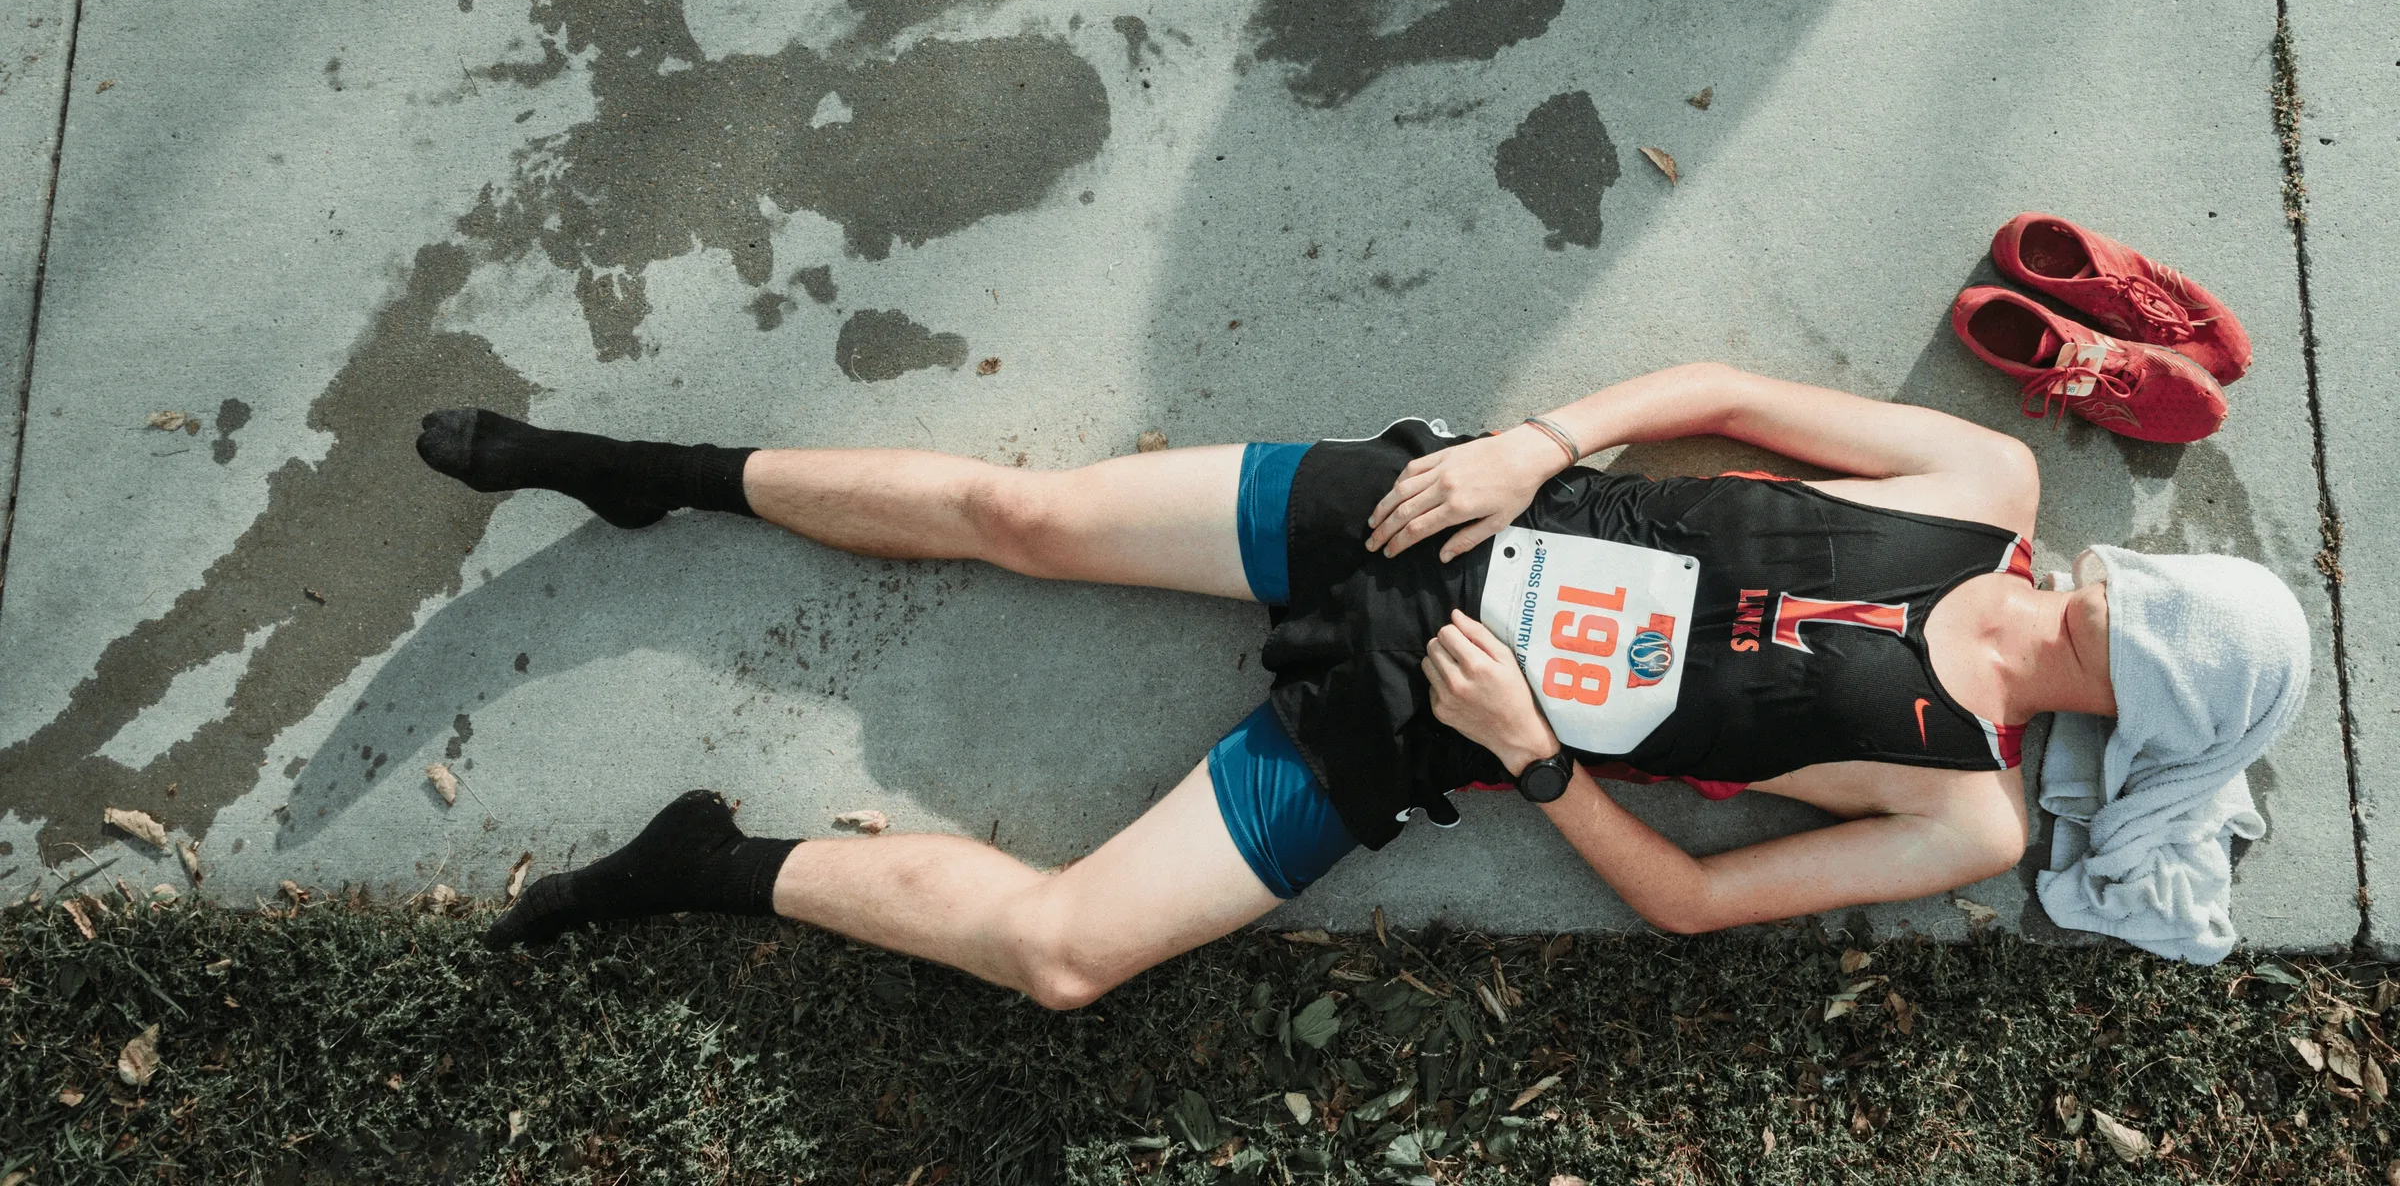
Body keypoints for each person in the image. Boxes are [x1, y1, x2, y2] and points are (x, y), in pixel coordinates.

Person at [415, 360, 2307, 1001]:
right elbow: (1726, 398)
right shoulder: (1985, 491)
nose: (2091, 614)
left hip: (1426, 724)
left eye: (2128, 655)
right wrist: (1523, 445)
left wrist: (1535, 759)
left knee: (1068, 955)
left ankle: (702, 861)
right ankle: (642, 472)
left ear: (2141, 722)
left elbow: (1693, 904)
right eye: (2132, 595)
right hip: (1426, 516)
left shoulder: (1962, 808)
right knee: (1026, 513)